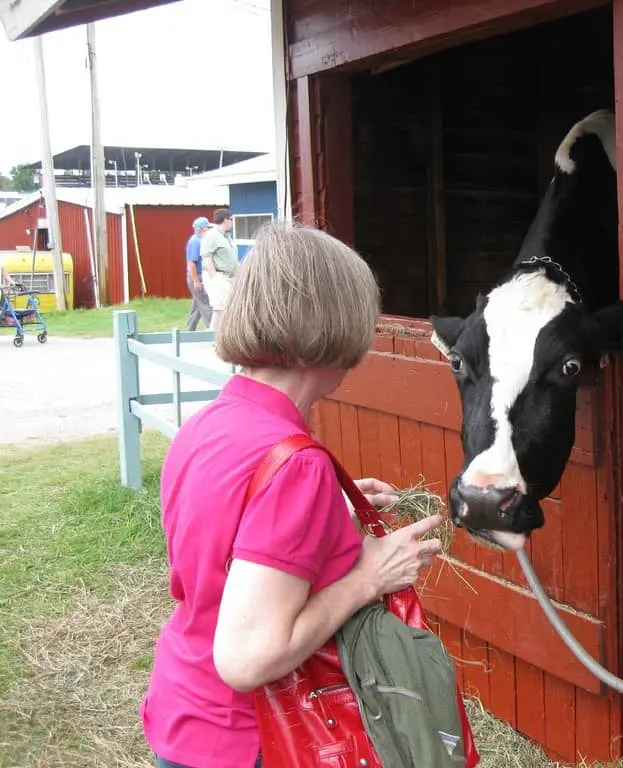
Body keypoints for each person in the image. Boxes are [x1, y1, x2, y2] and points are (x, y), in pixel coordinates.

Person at [139, 221, 443, 768]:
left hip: (186, 713)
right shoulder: (296, 465)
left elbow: (231, 538)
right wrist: (369, 577)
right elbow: (248, 659)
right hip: (257, 738)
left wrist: (331, 519)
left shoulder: (210, 424)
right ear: (330, 327)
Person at [200, 208, 240, 333]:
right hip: (218, 276)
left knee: (227, 307)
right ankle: (214, 336)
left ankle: (219, 336)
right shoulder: (212, 235)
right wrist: (215, 277)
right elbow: (206, 257)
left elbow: (231, 259)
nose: (232, 222)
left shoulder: (226, 236)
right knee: (221, 307)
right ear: (225, 220)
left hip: (229, 277)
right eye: (231, 219)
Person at [184, 217, 213, 331]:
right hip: (196, 276)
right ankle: (213, 331)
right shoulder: (195, 241)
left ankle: (188, 331)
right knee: (206, 304)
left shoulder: (202, 240)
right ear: (202, 228)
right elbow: (191, 263)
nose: (209, 229)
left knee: (197, 305)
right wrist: (196, 281)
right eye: (207, 227)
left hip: (201, 276)